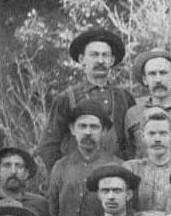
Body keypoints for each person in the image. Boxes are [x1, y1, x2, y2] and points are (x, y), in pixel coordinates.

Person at [37, 27, 134, 172]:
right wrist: (63, 177)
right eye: (94, 55)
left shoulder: (124, 98)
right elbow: (49, 145)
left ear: (112, 60)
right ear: (82, 59)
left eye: (105, 55)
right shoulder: (65, 99)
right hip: (79, 179)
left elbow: (134, 143)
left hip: (115, 181)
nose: (100, 60)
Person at [46, 100, 121, 216]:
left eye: (94, 127)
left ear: (104, 131)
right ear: (73, 129)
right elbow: (53, 211)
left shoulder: (117, 167)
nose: (88, 132)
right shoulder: (61, 167)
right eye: (82, 126)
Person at [124, 109, 171, 216]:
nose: (157, 139)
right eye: (152, 133)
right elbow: (120, 205)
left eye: (163, 133)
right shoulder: (131, 169)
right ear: (143, 136)